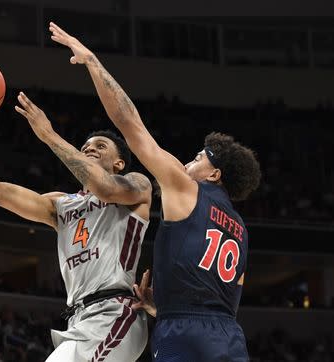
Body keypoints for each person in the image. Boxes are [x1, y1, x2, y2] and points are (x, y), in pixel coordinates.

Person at [50, 22, 261, 361]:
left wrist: (91, 61)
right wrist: (163, 304)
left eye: (199, 158)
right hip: (228, 333)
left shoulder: (184, 186)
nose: (190, 161)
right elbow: (223, 293)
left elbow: (129, 123)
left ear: (215, 174)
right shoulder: (239, 228)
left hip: (183, 329)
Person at [0, 74, 152, 362]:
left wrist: (48, 135)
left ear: (119, 163)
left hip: (116, 313)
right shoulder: (61, 205)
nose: (89, 148)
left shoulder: (136, 185)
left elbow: (104, 187)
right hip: (79, 319)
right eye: (86, 146)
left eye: (100, 146)